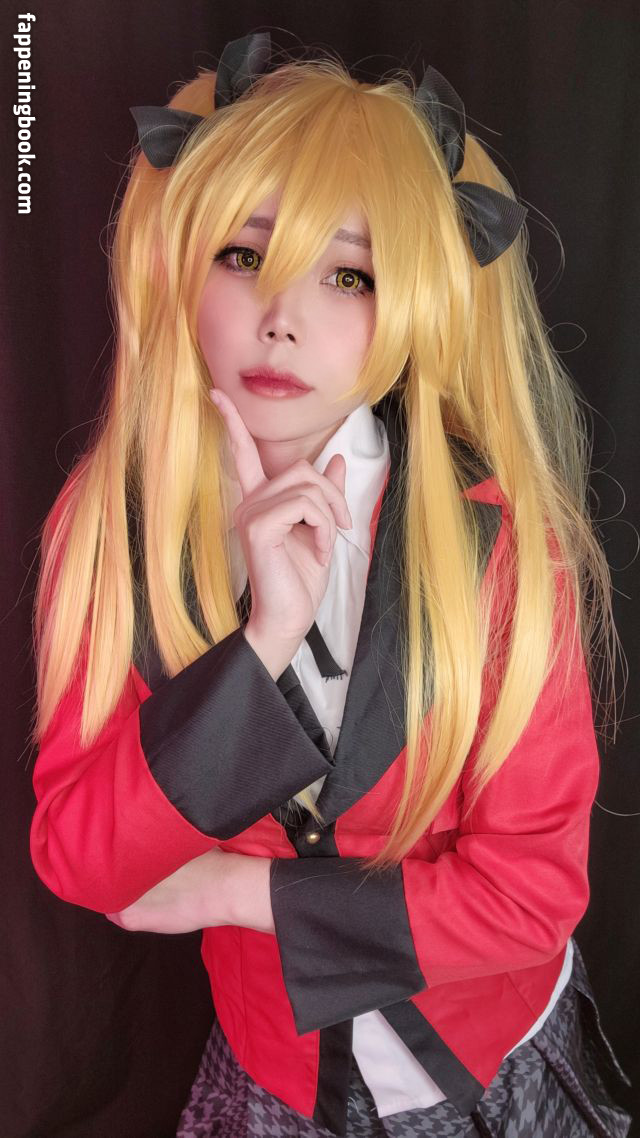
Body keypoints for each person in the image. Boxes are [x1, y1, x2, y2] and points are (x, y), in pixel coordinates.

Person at [28, 30, 633, 1138]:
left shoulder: (498, 541)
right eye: (242, 254)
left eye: (347, 274)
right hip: (277, 1069)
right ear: (177, 260)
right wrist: (260, 646)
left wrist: (235, 893)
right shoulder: (111, 530)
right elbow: (82, 857)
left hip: (485, 1058)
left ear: (412, 303)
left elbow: (531, 896)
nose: (283, 316)